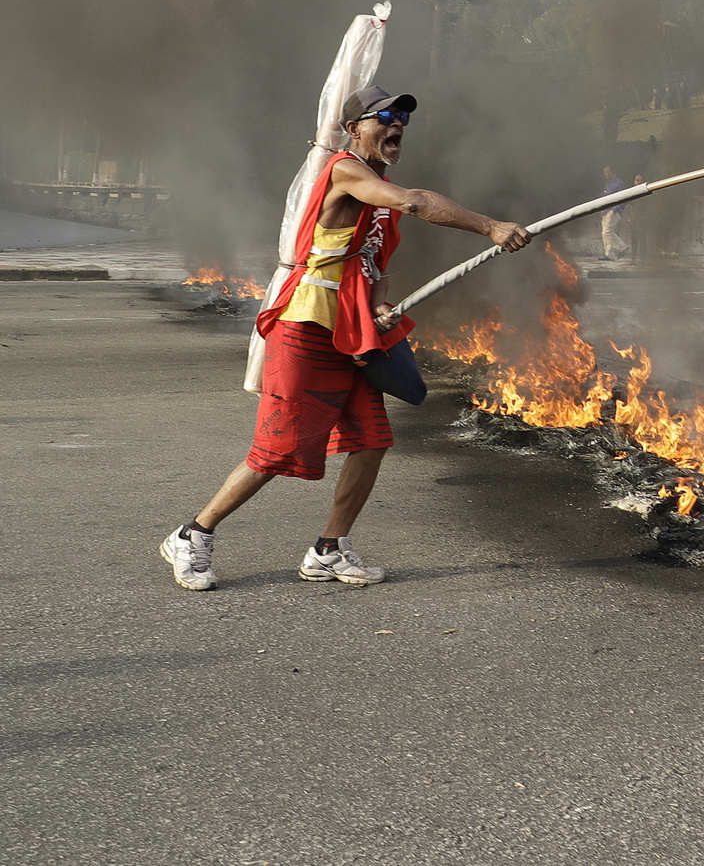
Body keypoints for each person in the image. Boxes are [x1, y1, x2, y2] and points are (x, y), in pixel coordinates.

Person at [159, 87, 532, 591]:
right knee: (278, 449)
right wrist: (490, 226)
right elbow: (415, 202)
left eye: (403, 119)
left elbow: (372, 260)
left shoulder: (377, 190)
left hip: (349, 335)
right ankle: (193, 534)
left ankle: (328, 550)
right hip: (305, 328)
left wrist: (378, 302)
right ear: (355, 128)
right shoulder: (345, 170)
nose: (398, 124)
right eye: (386, 117)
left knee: (372, 440)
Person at [599, 164, 628, 260]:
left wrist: (616, 209)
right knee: (605, 233)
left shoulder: (619, 183)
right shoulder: (608, 184)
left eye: (607, 172)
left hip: (614, 210)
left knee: (607, 232)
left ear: (613, 172)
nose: (605, 174)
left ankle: (622, 247)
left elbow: (622, 197)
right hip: (606, 210)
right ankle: (609, 254)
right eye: (604, 172)